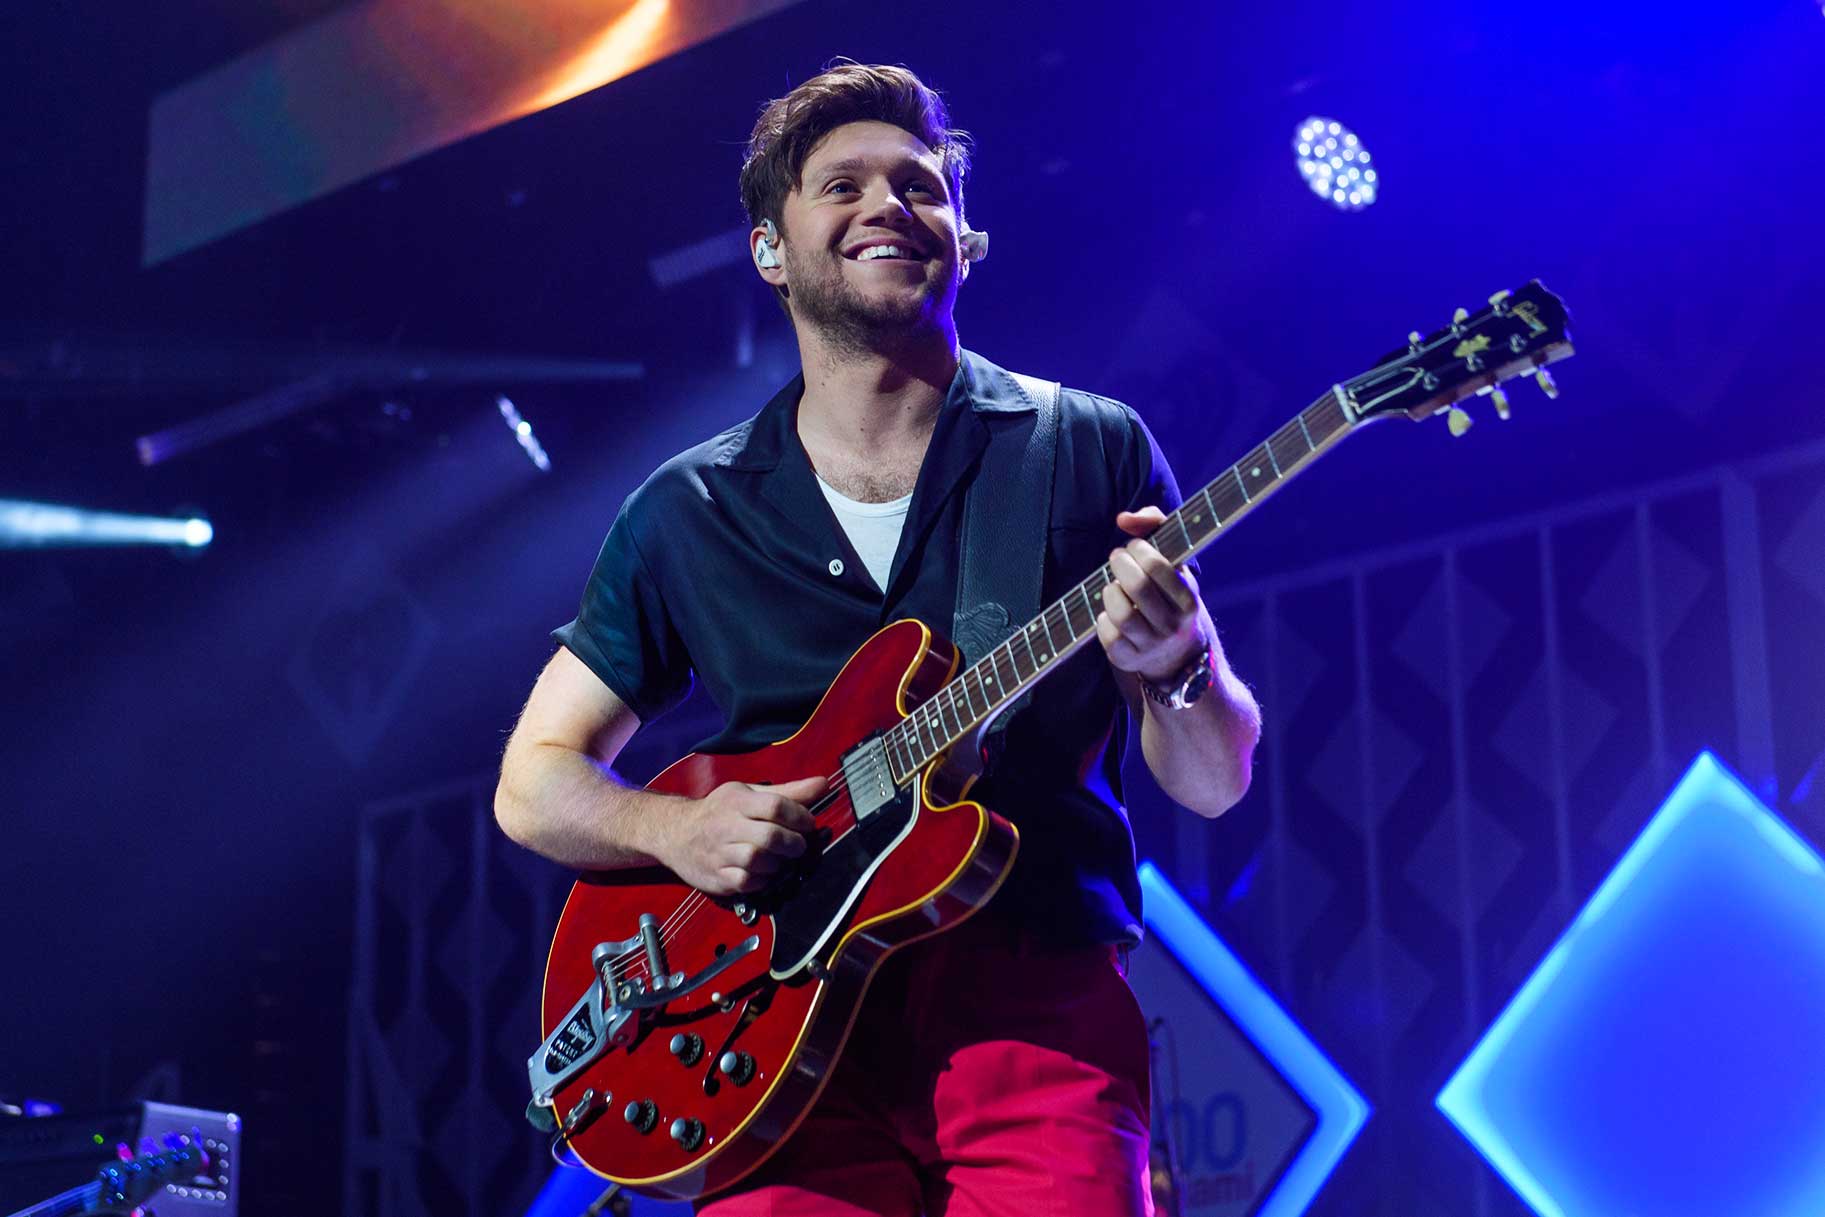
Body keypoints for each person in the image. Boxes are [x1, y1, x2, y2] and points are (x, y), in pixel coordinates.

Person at [494, 61, 1260, 1217]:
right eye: (840, 184)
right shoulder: (687, 507)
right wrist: (679, 826)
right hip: (764, 1039)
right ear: (769, 248)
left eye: (920, 185)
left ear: (965, 237)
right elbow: (532, 784)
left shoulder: (1086, 447)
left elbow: (1213, 779)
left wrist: (1177, 669)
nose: (888, 205)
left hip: (1030, 1005)